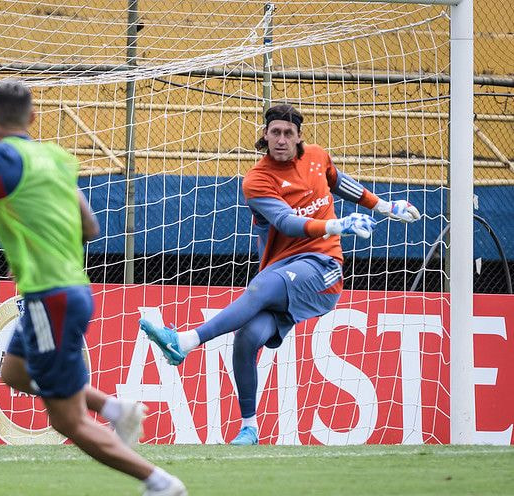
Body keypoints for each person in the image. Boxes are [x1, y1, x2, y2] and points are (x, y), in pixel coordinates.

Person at [0, 38, 187, 496]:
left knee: (66, 420)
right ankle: (115, 408)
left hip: (48, 295)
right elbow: (90, 227)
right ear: (33, 118)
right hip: (72, 288)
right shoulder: (54, 159)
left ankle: (159, 481)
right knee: (13, 372)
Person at [140, 104, 421, 445]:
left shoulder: (317, 157)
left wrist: (385, 207)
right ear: (265, 135)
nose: (282, 139)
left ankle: (185, 342)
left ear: (299, 137)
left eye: (289, 133)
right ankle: (249, 427)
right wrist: (338, 224)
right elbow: (287, 222)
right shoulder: (257, 180)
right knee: (246, 338)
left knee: (261, 287)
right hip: (284, 271)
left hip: (324, 269)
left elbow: (339, 181)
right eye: (275, 132)